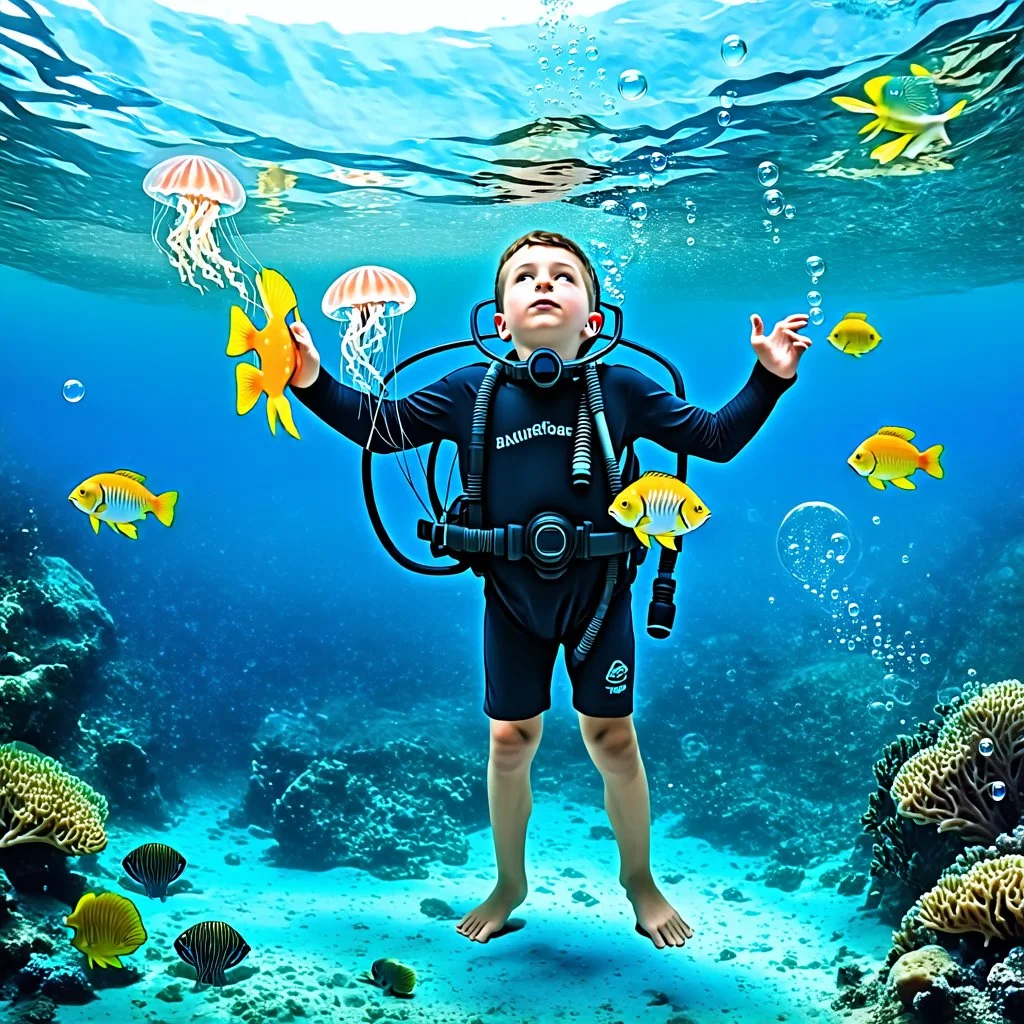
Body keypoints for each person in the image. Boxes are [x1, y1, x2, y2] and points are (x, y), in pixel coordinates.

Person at [287, 230, 810, 950]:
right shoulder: (468, 391)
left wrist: (769, 379)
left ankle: (640, 880)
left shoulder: (620, 388)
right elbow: (381, 428)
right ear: (499, 318)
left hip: (599, 597)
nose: (543, 284)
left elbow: (714, 437)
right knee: (509, 742)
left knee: (614, 740)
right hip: (510, 600)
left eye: (563, 277)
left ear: (592, 318)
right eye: (526, 276)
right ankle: (509, 882)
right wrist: (312, 380)